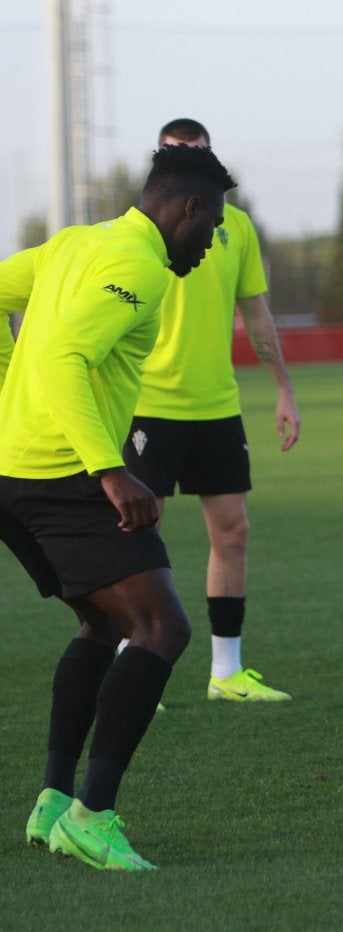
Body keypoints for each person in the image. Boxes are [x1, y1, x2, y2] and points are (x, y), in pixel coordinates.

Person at [1, 144, 236, 870]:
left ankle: (50, 801)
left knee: (102, 622)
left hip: (13, 470)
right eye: (213, 226)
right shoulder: (140, 267)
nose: (210, 244)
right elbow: (67, 356)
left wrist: (8, 391)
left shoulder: (76, 243)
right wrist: (112, 470)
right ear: (187, 209)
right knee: (162, 627)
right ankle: (91, 814)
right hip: (63, 473)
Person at [120, 118, 299, 702]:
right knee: (140, 537)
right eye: (175, 154)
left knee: (233, 530)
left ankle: (227, 672)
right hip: (148, 404)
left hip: (217, 405)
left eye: (197, 152)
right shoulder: (136, 232)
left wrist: (283, 389)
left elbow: (257, 314)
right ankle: (129, 659)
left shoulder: (233, 226)